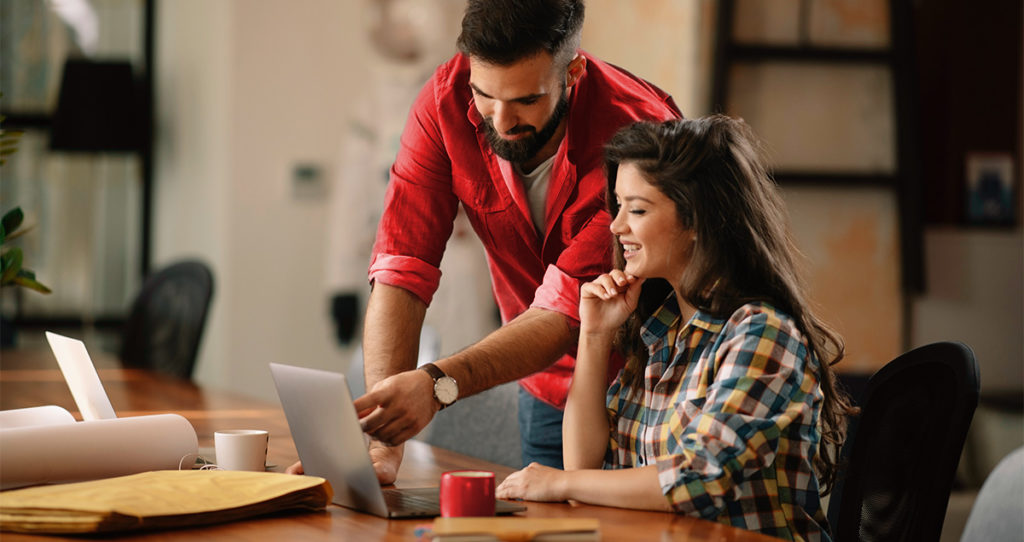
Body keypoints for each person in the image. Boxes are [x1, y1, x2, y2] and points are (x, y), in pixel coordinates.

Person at [314, 0, 683, 483]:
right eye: (484, 94)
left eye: (527, 100)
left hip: (648, 386)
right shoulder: (444, 101)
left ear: (573, 70)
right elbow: (402, 267)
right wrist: (383, 442)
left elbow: (565, 311)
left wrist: (437, 384)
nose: (501, 121)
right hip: (546, 392)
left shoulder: (635, 131)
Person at [495, 116, 854, 542]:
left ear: (698, 221)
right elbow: (584, 468)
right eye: (618, 204)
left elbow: (697, 480)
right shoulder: (661, 332)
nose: (616, 225)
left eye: (638, 209)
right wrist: (594, 336)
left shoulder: (762, 334)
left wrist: (555, 484)